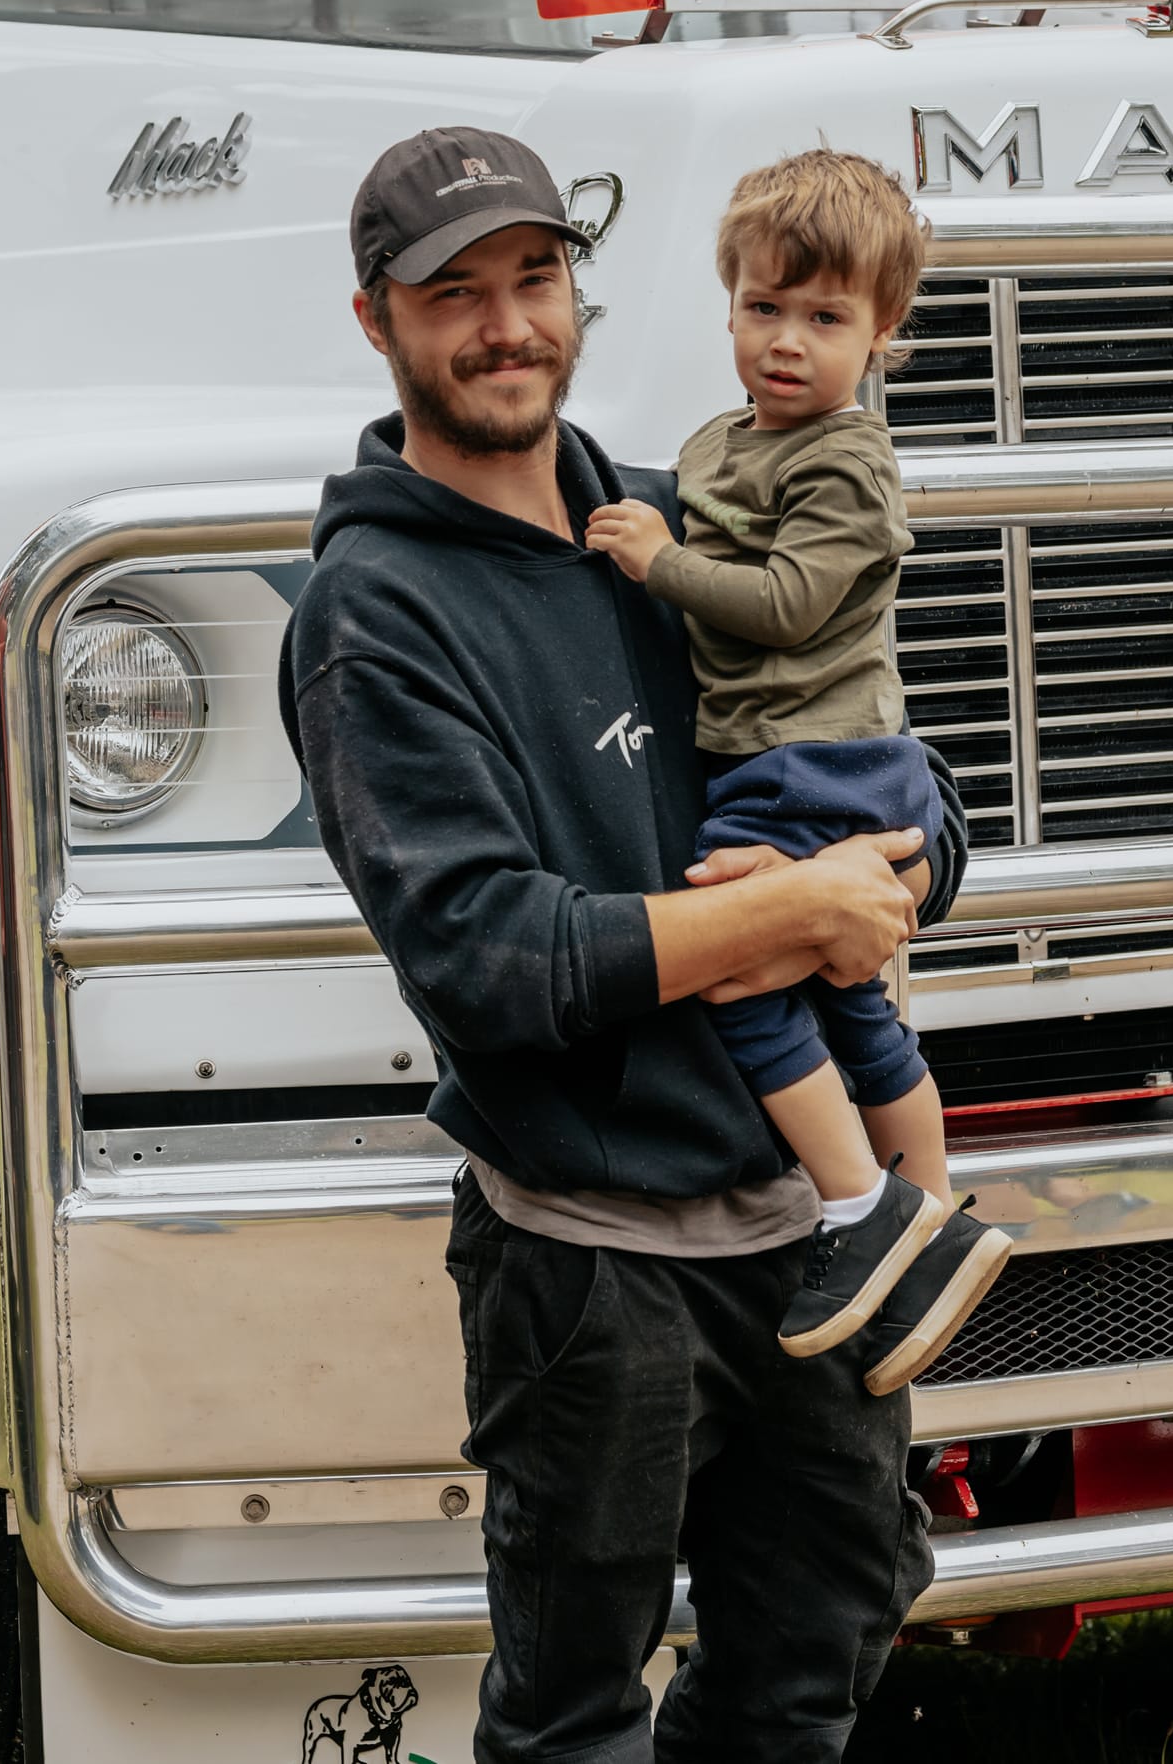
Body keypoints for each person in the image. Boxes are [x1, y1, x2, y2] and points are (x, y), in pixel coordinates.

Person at [279, 126, 968, 1764]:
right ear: (377, 320)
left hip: (810, 1239)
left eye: (535, 280)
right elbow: (483, 956)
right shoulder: (374, 613)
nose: (505, 326)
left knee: (815, 1663)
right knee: (576, 1716)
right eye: (456, 295)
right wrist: (776, 916)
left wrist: (905, 872)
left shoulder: (680, 528)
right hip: (592, 1268)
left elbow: (899, 771)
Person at [586, 150, 1010, 1393]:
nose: (786, 341)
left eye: (824, 318)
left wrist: (656, 559)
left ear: (881, 332)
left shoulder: (843, 460)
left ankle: (857, 1208)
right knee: (850, 1003)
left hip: (816, 765)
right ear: (725, 304)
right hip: (785, 759)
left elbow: (782, 603)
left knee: (738, 978)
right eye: (763, 307)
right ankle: (936, 1230)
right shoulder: (728, 441)